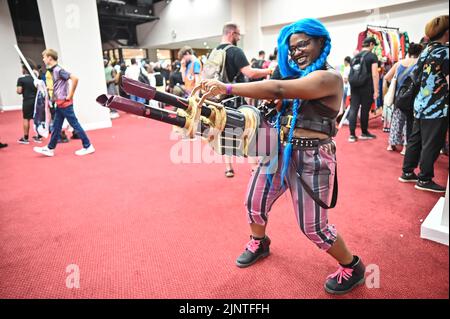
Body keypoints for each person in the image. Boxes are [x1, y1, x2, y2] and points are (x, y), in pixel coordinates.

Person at [201, 18, 365, 295]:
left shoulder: (329, 77)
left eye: (304, 44)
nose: (297, 51)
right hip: (276, 152)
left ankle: (353, 266)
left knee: (315, 228)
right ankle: (259, 242)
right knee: (254, 203)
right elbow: (277, 97)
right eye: (292, 48)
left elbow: (277, 87)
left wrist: (227, 88)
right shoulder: (296, 78)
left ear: (321, 42)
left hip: (312, 159)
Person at [399, 15, 449, 193]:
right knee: (432, 143)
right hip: (436, 107)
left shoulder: (425, 50)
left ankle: (407, 172)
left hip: (420, 103)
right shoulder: (444, 53)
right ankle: (425, 179)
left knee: (416, 139)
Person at [217, 22, 273, 178]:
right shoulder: (235, 51)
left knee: (225, 131)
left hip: (219, 100)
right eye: (238, 34)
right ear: (231, 33)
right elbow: (250, 73)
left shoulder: (214, 52)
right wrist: (269, 70)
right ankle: (254, 166)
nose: (239, 37)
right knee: (251, 129)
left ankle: (228, 168)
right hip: (235, 97)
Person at [33, 49, 95, 157]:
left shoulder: (58, 70)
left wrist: (70, 95)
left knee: (74, 124)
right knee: (56, 126)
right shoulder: (53, 71)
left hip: (64, 103)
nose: (43, 59)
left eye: (44, 57)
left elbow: (75, 78)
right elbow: (55, 86)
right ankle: (50, 148)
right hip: (60, 103)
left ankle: (88, 145)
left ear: (50, 58)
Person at [383, 43, 424, 154]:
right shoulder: (420, 64)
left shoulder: (399, 63)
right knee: (409, 123)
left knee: (396, 121)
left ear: (409, 52)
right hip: (413, 98)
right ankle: (406, 147)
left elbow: (387, 77)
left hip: (399, 98)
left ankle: (391, 144)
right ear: (420, 53)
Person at [347, 37, 379, 142]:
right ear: (370, 44)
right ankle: (364, 133)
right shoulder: (372, 56)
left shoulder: (355, 57)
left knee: (353, 109)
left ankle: (352, 135)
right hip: (367, 86)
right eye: (373, 45)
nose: (373, 47)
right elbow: (375, 74)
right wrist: (376, 90)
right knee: (365, 110)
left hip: (354, 86)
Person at [16, 64, 40, 144]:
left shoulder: (21, 79)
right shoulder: (35, 78)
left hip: (27, 101)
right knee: (37, 118)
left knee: (26, 118)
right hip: (36, 101)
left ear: (24, 70)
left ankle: (25, 138)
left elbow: (19, 91)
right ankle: (38, 136)